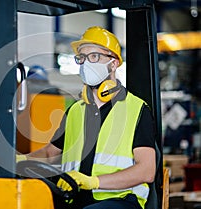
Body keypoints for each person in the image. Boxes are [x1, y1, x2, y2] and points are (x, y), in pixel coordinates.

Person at [17, 26, 156, 209]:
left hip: (119, 201)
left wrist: (94, 182)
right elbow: (50, 153)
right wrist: (21, 161)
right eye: (81, 58)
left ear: (113, 63)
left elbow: (146, 171)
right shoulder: (76, 110)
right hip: (73, 197)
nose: (85, 64)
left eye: (94, 57)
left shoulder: (137, 109)